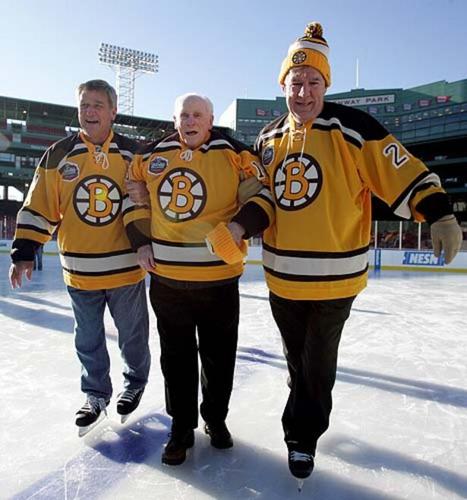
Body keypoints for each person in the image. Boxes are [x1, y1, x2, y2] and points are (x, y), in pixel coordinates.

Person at [207, 22, 463, 480]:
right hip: (281, 277)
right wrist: (239, 224)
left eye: (313, 82)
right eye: (295, 82)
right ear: (281, 84)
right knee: (296, 360)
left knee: (318, 360)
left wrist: (439, 212)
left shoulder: (352, 127)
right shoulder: (267, 139)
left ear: (326, 84)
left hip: (336, 279)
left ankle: (301, 437)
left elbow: (399, 170)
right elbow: (260, 197)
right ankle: (304, 405)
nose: (303, 92)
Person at [123, 93, 260, 465]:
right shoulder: (148, 156)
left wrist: (240, 225)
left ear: (210, 120)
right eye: (184, 114)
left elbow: (262, 196)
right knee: (176, 360)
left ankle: (215, 420)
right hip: (167, 282)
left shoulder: (235, 153)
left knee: (219, 358)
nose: (190, 120)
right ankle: (181, 428)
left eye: (197, 114)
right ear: (174, 120)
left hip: (218, 282)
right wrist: (139, 242)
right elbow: (132, 200)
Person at [9, 79, 151, 434]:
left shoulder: (135, 153)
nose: (89, 112)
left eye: (97, 105)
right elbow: (39, 205)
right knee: (87, 340)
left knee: (133, 337)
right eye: (84, 105)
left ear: (113, 111)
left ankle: (134, 383)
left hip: (126, 271)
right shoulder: (59, 154)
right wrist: (25, 250)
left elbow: (156, 200)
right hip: (80, 272)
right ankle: (96, 394)